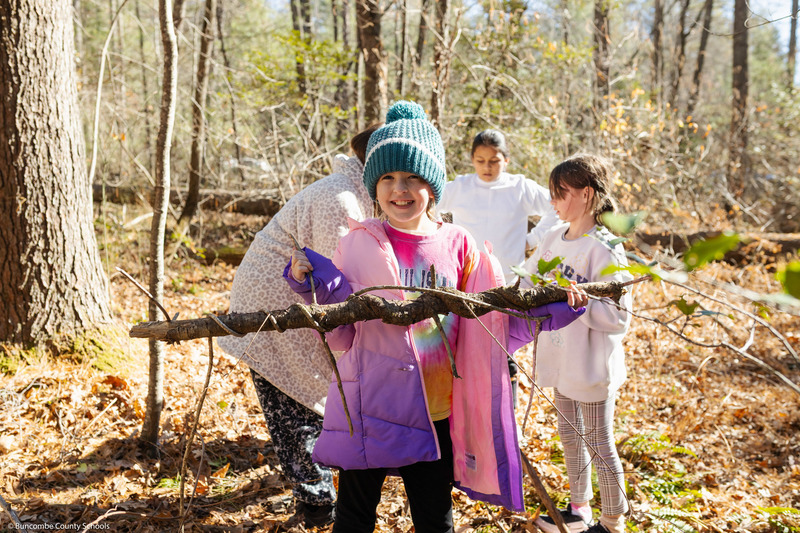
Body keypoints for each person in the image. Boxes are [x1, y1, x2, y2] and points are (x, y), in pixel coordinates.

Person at [285, 101, 588, 533]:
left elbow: (493, 323)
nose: (399, 188)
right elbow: (342, 333)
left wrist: (558, 307)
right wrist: (314, 284)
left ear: (433, 184)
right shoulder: (358, 244)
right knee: (354, 515)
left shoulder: (459, 245)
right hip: (370, 403)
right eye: (387, 177)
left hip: (436, 409)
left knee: (434, 517)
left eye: (412, 177)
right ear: (374, 186)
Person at [217, 124, 380, 529]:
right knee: (294, 407)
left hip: (299, 306)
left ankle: (319, 494)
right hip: (274, 307)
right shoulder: (341, 197)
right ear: (373, 159)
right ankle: (316, 502)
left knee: (308, 402)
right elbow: (341, 268)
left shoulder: (359, 192)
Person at [521, 154, 633, 533]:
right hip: (560, 356)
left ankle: (614, 520)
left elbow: (619, 317)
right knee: (569, 437)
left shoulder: (604, 248)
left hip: (590, 364)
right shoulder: (554, 237)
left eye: (560, 193)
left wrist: (581, 306)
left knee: (600, 442)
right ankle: (579, 508)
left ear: (586, 194)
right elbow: (528, 281)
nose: (553, 202)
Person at [436, 129, 560, 406]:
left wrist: (533, 239)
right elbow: (429, 205)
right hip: (465, 282)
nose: (487, 167)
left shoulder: (519, 187)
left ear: (506, 159)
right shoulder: (461, 187)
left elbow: (555, 205)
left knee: (504, 348)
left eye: (493, 160)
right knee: (463, 348)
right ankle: (467, 408)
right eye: (480, 160)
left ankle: (505, 410)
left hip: (507, 283)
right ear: (472, 160)